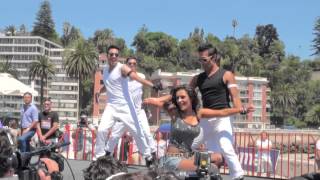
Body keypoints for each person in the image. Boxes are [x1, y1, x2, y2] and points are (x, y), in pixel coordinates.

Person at [145, 43, 254, 179]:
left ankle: (238, 176)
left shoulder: (226, 75)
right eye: (200, 60)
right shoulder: (198, 78)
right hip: (205, 117)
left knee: (225, 146)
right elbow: (180, 93)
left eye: (204, 59)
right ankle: (195, 173)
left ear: (213, 58)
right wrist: (158, 100)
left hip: (222, 116)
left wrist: (240, 109)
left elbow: (235, 96)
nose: (201, 63)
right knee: (194, 145)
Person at [94, 45, 161, 166]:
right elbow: (108, 85)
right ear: (107, 56)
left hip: (126, 107)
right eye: (111, 54)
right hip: (111, 106)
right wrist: (99, 91)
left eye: (116, 54)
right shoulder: (104, 70)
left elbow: (135, 76)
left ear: (118, 57)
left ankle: (148, 157)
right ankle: (98, 158)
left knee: (138, 132)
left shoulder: (122, 68)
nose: (114, 56)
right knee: (102, 129)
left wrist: (152, 85)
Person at [145, 85, 230, 176]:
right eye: (177, 98)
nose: (179, 100)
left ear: (191, 98)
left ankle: (198, 176)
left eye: (182, 97)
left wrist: (241, 109)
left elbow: (221, 112)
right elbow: (155, 101)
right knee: (210, 168)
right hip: (172, 159)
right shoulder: (174, 112)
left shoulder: (198, 113)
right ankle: (200, 174)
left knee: (218, 158)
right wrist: (171, 95)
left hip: (189, 156)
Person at [105, 57, 157, 161]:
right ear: (126, 65)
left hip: (138, 112)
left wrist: (154, 88)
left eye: (134, 63)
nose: (132, 65)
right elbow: (110, 85)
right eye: (130, 63)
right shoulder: (121, 78)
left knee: (146, 134)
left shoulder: (140, 76)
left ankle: (152, 158)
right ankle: (106, 157)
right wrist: (100, 91)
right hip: (125, 113)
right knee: (114, 136)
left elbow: (143, 83)